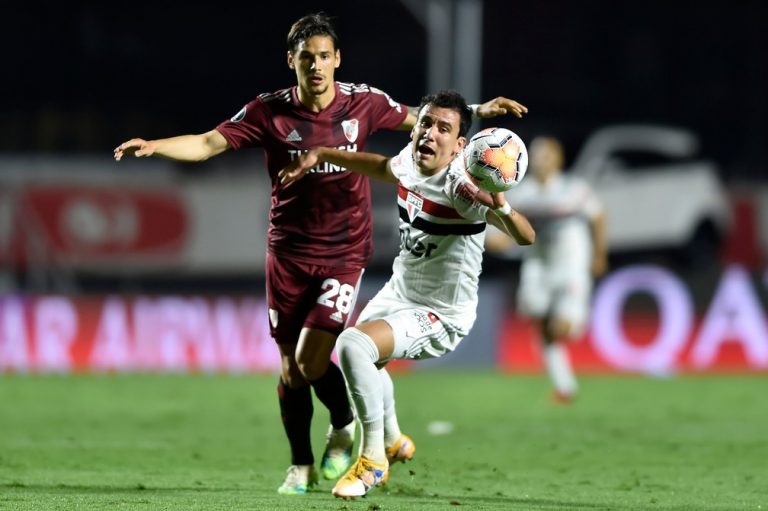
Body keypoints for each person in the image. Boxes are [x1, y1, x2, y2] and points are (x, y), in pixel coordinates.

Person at [113, 13, 529, 496]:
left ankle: (349, 428)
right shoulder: (269, 111)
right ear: (291, 60)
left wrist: (478, 110)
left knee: (323, 357)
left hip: (343, 252)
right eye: (306, 57)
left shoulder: (364, 102)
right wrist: (155, 146)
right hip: (287, 252)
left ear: (337, 59)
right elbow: (207, 143)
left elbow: (421, 119)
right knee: (292, 368)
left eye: (324, 56)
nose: (316, 66)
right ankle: (302, 464)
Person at [279, 90, 535, 498]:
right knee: (366, 360)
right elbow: (382, 167)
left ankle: (373, 460)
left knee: (353, 346)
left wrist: (501, 207)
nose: (430, 133)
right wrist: (324, 153)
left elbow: (525, 236)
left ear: (461, 146)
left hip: (441, 313)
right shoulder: (410, 161)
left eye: (443, 129)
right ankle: (394, 440)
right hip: (400, 292)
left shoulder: (462, 189)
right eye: (426, 123)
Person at [486, 136, 607, 403]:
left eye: (547, 155)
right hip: (538, 265)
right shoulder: (522, 193)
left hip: (572, 264)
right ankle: (564, 386)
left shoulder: (574, 189)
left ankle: (573, 323)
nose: (542, 161)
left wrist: (599, 253)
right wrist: (494, 240)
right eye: (537, 155)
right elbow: (509, 229)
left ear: (559, 159)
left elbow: (598, 217)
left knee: (560, 327)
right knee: (540, 324)